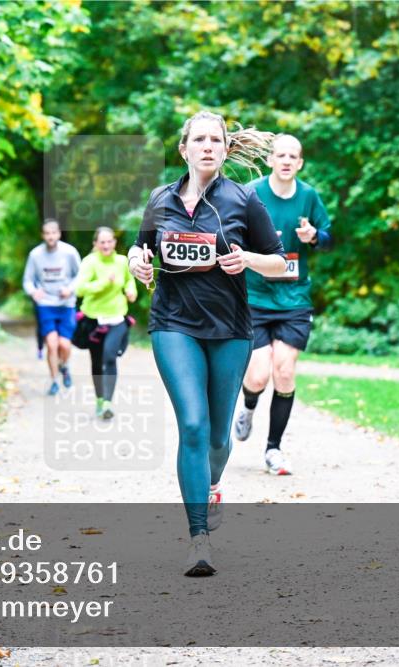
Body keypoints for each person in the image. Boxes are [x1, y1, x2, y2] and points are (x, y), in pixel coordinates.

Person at [128, 111, 287, 576]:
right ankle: (199, 537)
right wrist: (136, 261)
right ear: (184, 149)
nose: (207, 146)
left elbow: (281, 263)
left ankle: (211, 484)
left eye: (215, 140)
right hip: (174, 324)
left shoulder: (243, 201)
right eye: (198, 139)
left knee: (219, 437)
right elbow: (140, 247)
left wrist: (249, 260)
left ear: (225, 148)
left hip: (230, 329)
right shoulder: (160, 199)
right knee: (193, 427)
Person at [231, 134, 333, 476]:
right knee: (259, 375)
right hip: (256, 296)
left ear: (300, 163)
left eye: (293, 156)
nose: (287, 161)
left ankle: (273, 449)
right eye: (281, 155)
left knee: (284, 371)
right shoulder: (252, 193)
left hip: (294, 298)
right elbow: (231, 230)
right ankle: (247, 407)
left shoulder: (308, 196)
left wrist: (314, 236)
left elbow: (329, 237)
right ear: (271, 160)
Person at [72, 226, 137, 420]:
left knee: (110, 356)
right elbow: (80, 289)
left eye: (110, 241)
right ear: (96, 244)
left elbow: (128, 280)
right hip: (93, 320)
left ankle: (108, 402)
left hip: (117, 317)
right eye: (102, 242)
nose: (106, 245)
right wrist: (103, 283)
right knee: (96, 361)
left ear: (114, 243)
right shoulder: (89, 262)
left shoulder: (122, 261)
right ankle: (100, 399)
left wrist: (130, 290)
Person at [22, 219, 81, 395]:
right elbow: (27, 280)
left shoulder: (69, 252)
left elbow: (81, 275)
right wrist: (33, 292)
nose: (50, 237)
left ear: (59, 234)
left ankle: (65, 366)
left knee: (64, 344)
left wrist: (70, 289)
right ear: (43, 235)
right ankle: (55, 380)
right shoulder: (35, 255)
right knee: (51, 343)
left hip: (66, 304)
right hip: (46, 304)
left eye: (53, 233)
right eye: (47, 233)